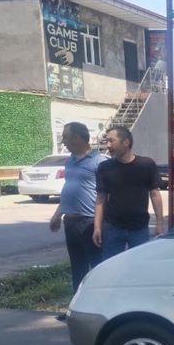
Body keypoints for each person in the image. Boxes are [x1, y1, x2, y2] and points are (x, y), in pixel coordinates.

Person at [93, 125, 164, 260]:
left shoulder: (146, 164)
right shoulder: (105, 167)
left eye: (111, 141)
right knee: (111, 266)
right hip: (113, 227)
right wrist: (97, 227)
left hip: (139, 228)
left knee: (139, 265)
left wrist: (159, 224)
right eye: (107, 141)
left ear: (126, 142)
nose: (108, 145)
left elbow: (155, 194)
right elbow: (101, 198)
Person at [49, 122, 104, 293]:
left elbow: (105, 195)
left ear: (77, 137)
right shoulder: (70, 161)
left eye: (65, 137)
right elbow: (69, 189)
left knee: (97, 267)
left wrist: (99, 224)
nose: (63, 141)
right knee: (77, 267)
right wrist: (57, 214)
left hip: (90, 223)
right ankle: (78, 303)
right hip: (70, 222)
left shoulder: (100, 161)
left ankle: (99, 302)